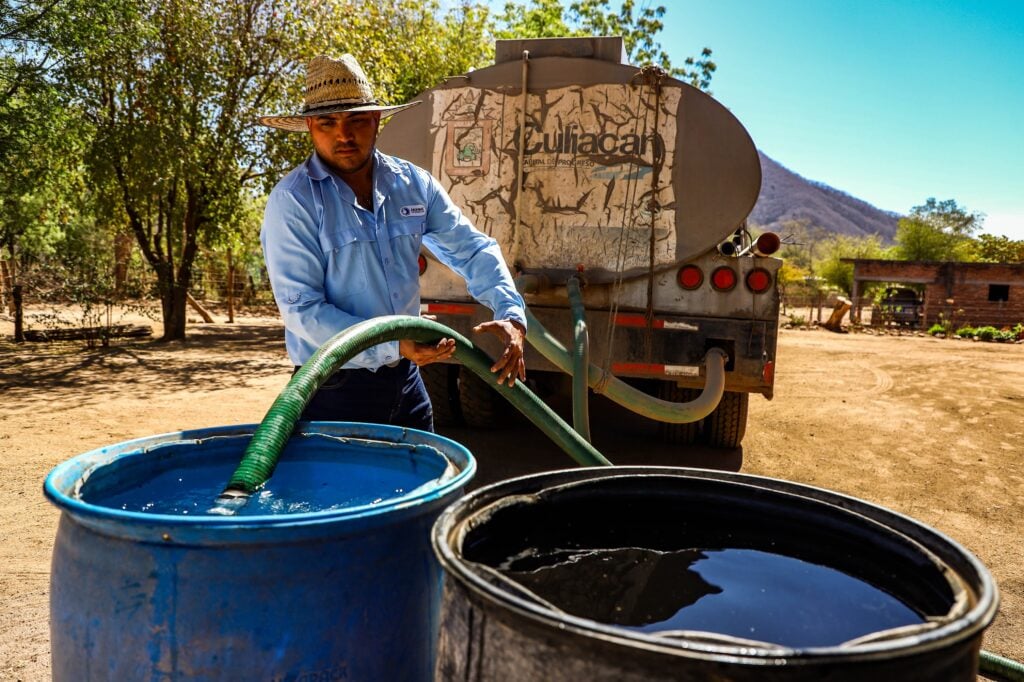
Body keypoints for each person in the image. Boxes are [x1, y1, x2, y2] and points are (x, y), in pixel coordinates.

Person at [258, 54, 527, 432]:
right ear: (309, 127)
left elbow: (472, 248)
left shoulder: (412, 184)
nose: (343, 135)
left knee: (428, 486)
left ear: (376, 120)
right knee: (345, 492)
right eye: (327, 123)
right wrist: (395, 343)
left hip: (406, 383)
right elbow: (302, 310)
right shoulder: (294, 201)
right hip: (333, 386)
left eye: (356, 120)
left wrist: (511, 312)